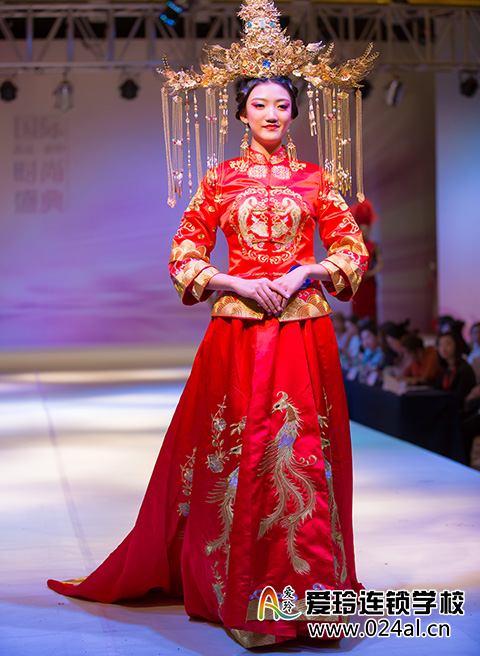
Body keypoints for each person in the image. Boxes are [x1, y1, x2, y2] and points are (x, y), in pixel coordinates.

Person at [47, 0, 374, 648]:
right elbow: (184, 255)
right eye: (260, 104)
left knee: (303, 458)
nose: (272, 114)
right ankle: (243, 595)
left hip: (302, 333)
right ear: (242, 112)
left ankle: (311, 599)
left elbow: (353, 251)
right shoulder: (219, 180)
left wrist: (305, 272)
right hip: (238, 333)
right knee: (239, 458)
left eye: (283, 104)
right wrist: (236, 281)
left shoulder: (317, 181)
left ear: (294, 113)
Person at [350, 199, 382, 320]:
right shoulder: (354, 245)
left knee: (370, 308)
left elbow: (380, 264)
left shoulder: (374, 246)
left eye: (367, 229)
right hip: (358, 282)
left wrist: (370, 273)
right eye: (362, 229)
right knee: (358, 309)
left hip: (369, 282)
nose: (365, 232)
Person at [434, 331, 476, 406]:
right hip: (447, 405)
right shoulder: (445, 368)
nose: (443, 348)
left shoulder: (464, 369)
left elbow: (461, 396)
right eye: (440, 345)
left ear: (456, 345)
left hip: (460, 408)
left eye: (447, 344)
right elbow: (437, 388)